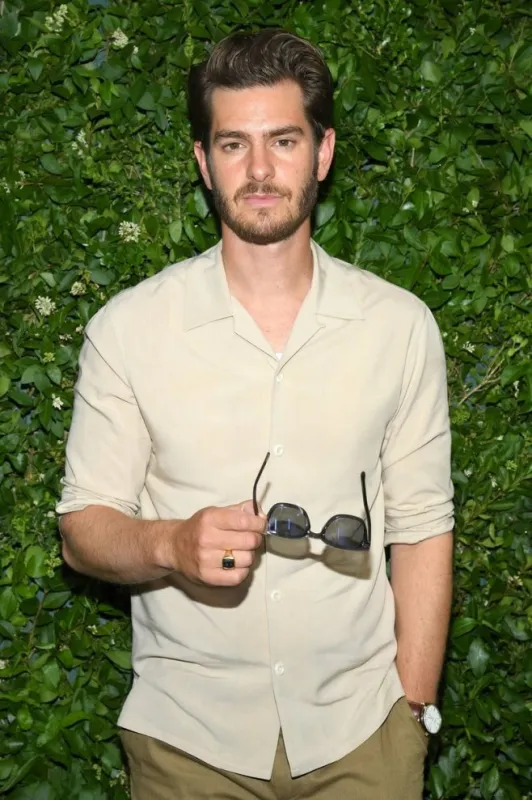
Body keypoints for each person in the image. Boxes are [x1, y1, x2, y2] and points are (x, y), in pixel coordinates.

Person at [56, 28, 454, 800]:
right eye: (234, 144)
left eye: (284, 140)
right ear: (204, 162)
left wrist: (413, 708)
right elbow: (82, 530)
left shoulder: (399, 327)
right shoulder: (130, 330)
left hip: (363, 737)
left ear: (323, 153)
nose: (261, 170)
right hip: (187, 746)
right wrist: (172, 543)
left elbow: (423, 527)